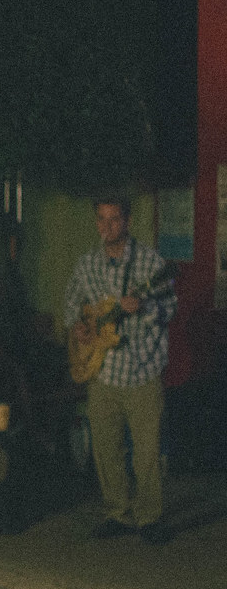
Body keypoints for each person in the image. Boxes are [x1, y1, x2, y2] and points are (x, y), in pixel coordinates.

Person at [63, 196, 177, 544]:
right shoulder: (87, 264)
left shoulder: (150, 263)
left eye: (114, 220)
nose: (106, 227)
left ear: (126, 221)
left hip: (141, 370)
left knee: (147, 450)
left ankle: (150, 518)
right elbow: (72, 301)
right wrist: (78, 327)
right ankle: (118, 513)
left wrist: (142, 307)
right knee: (106, 448)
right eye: (101, 219)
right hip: (103, 371)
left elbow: (168, 309)